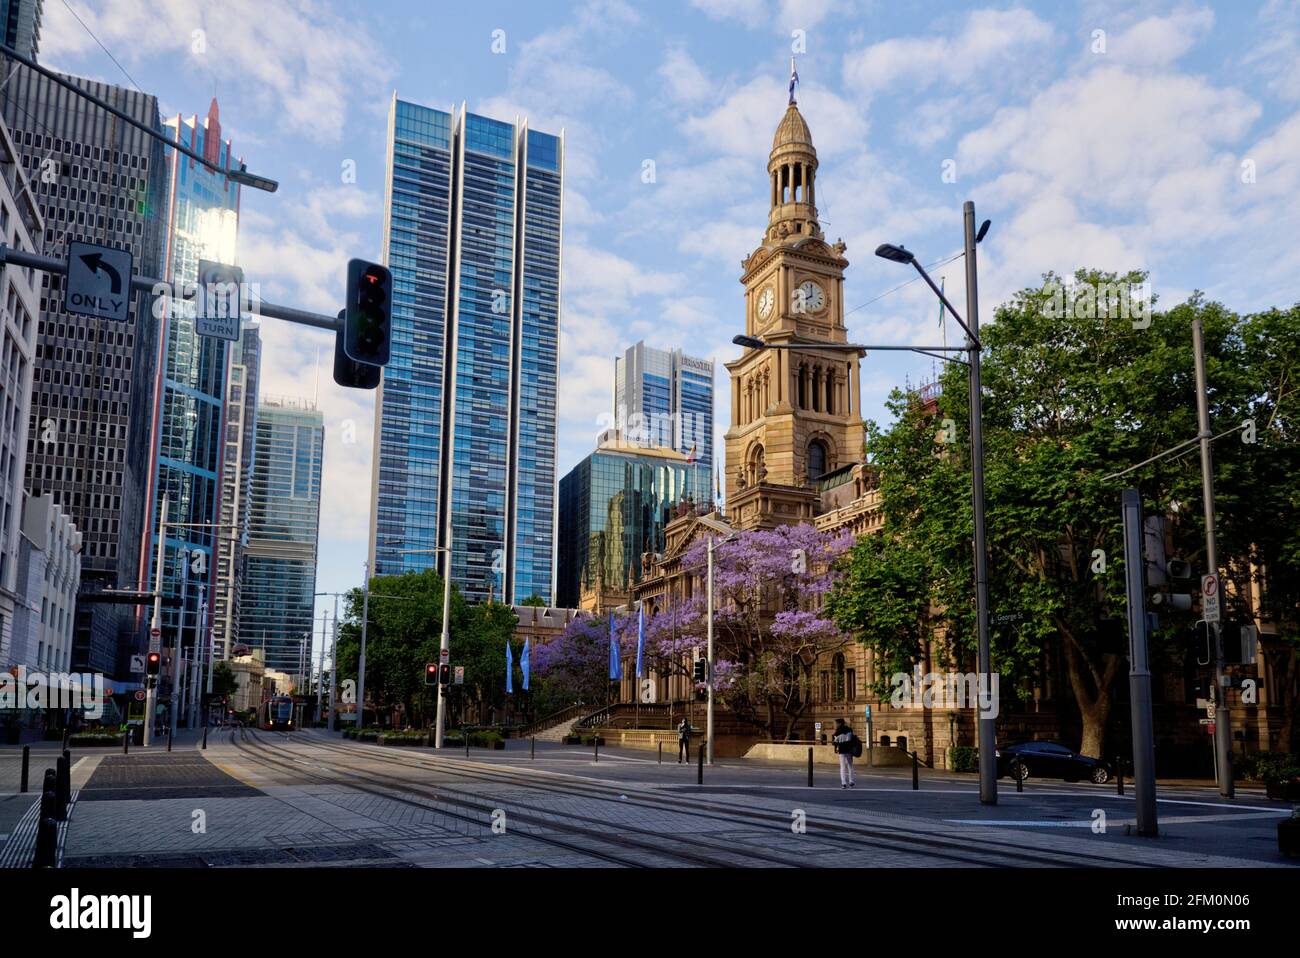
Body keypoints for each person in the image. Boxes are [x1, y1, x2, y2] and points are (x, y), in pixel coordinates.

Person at [832, 718, 858, 788]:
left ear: (839, 723)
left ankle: (843, 783)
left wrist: (836, 746)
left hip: (842, 750)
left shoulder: (837, 732)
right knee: (850, 765)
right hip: (849, 750)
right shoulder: (849, 730)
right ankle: (851, 781)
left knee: (842, 767)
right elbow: (852, 739)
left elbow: (834, 742)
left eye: (836, 723)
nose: (835, 725)